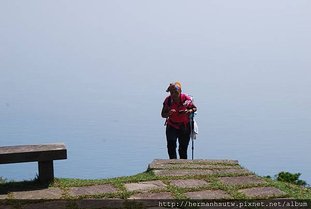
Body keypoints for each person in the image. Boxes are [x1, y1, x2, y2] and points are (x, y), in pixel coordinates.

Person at [161, 82, 197, 159]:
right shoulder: (168, 101)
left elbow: (194, 108)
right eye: (171, 92)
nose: (174, 94)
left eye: (176, 92)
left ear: (180, 91)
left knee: (183, 149)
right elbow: (163, 114)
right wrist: (169, 113)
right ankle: (173, 165)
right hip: (172, 126)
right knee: (171, 146)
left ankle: (183, 166)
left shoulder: (186, 99)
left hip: (185, 127)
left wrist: (188, 111)